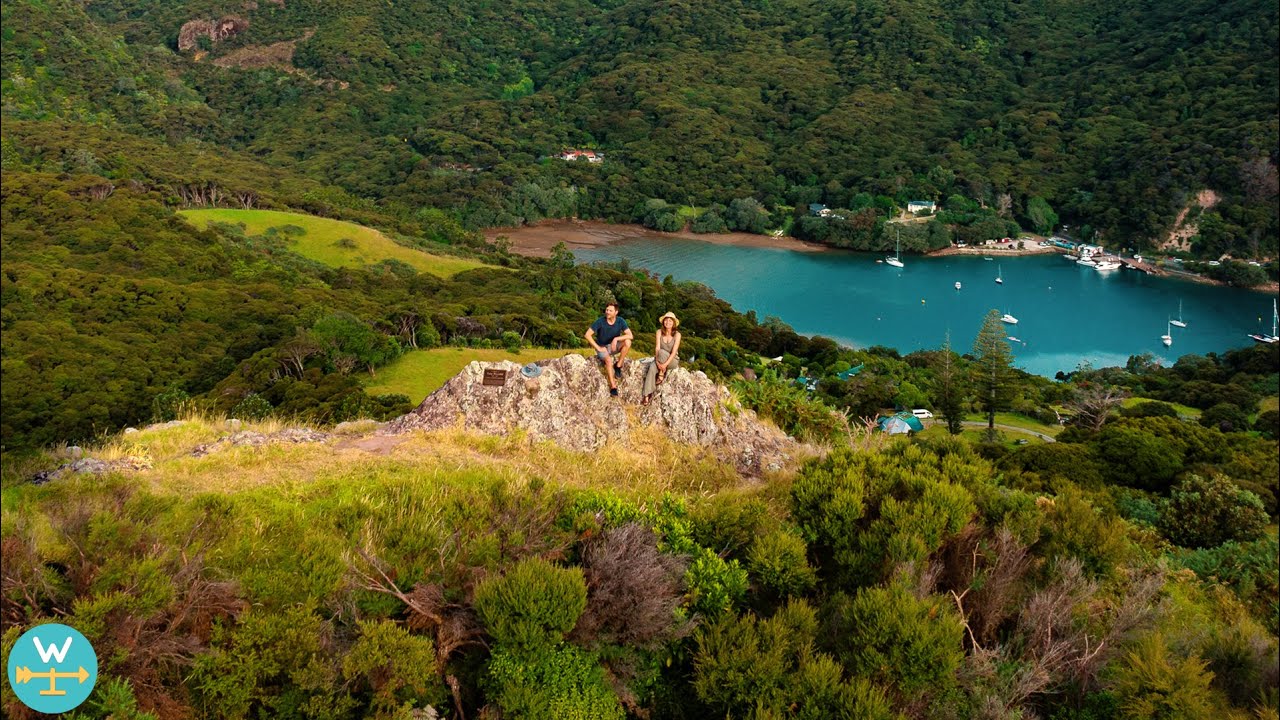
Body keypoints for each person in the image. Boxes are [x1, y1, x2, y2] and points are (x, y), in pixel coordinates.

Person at [585, 302, 633, 397]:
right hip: (602, 348)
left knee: (628, 342)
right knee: (608, 360)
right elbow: (587, 335)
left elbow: (630, 335)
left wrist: (616, 339)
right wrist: (598, 347)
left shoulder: (620, 321)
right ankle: (613, 386)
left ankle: (618, 365)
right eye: (607, 310)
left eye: (610, 310)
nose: (607, 312)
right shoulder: (600, 321)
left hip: (613, 346)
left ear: (616, 312)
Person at [642, 312, 681, 405]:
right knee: (651, 367)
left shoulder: (677, 335)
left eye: (670, 321)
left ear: (674, 323)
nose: (668, 322)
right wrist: (657, 362)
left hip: (672, 361)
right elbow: (657, 348)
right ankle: (647, 395)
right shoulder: (659, 332)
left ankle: (661, 373)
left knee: (662, 352)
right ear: (663, 322)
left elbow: (674, 352)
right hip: (659, 359)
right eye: (666, 320)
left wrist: (664, 366)